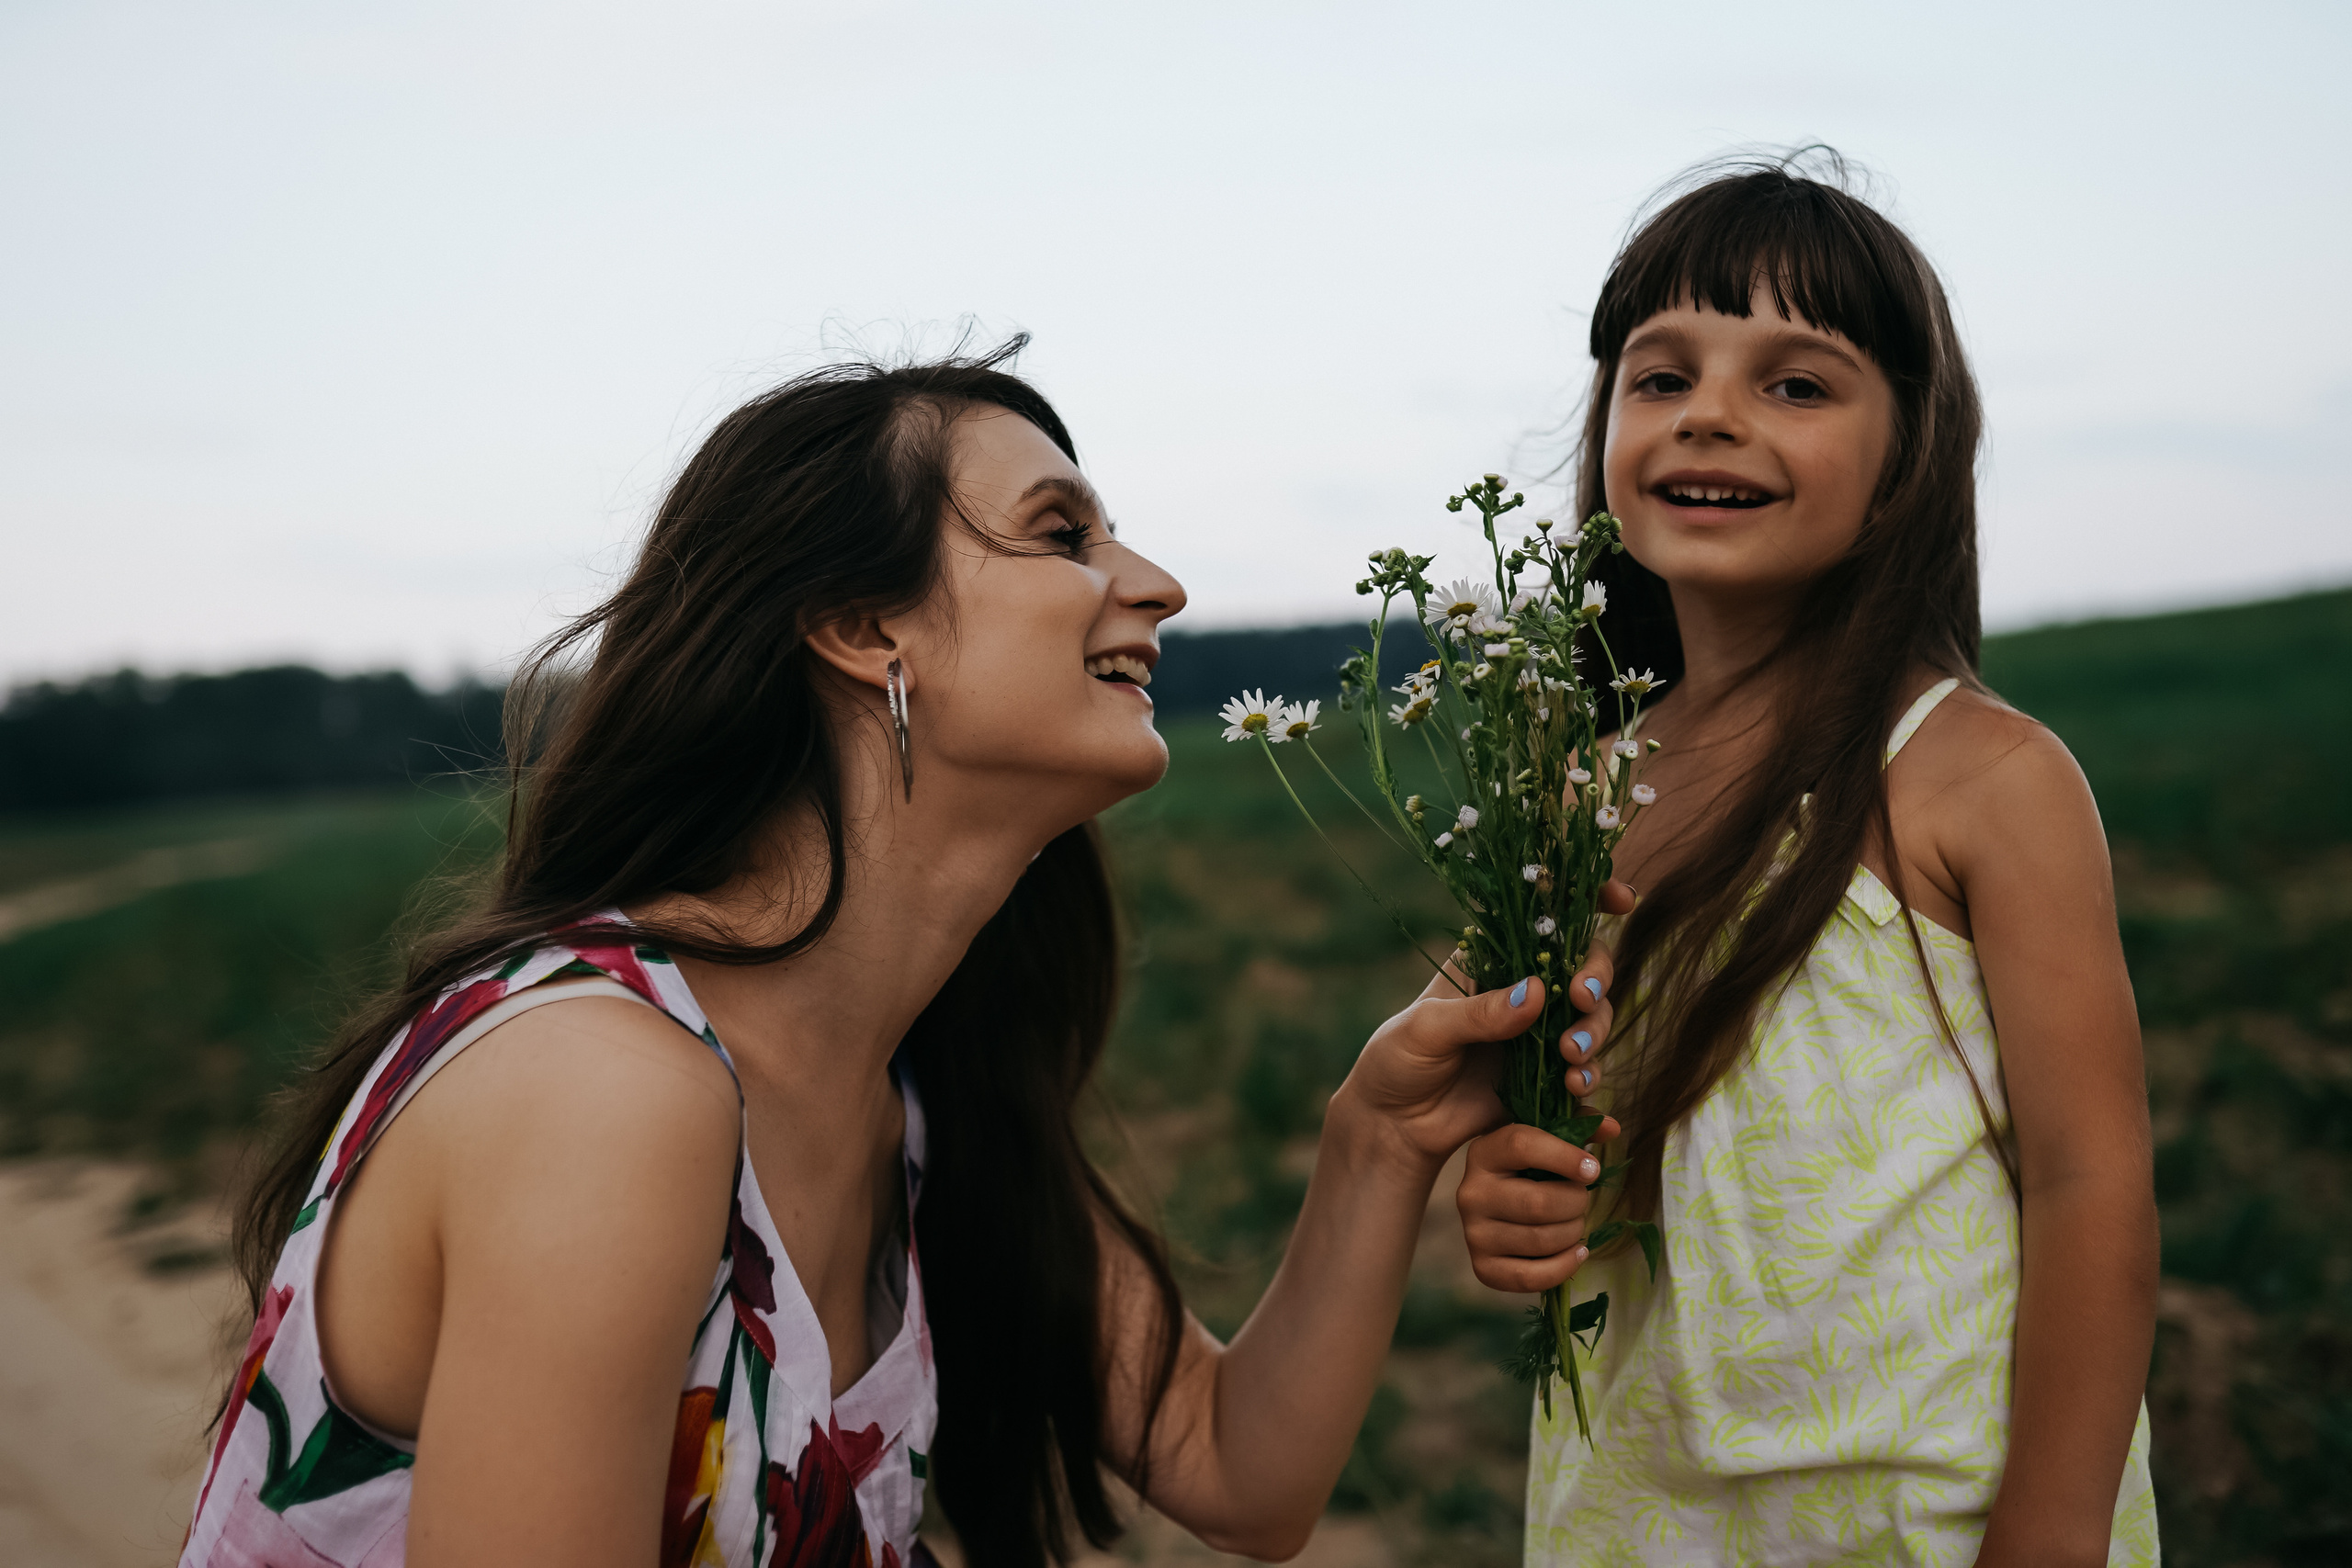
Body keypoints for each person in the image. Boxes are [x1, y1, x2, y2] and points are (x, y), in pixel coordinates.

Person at [180, 344, 1629, 1568]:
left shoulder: (916, 1104)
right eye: (1064, 536)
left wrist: (1378, 1138)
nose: (1162, 586)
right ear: (864, 627)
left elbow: (1234, 1465)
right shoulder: (599, 1089)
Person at [1454, 161, 2162, 1564]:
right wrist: (1512, 1195)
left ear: (1905, 461)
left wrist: (2050, 1534)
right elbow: (1578, 1143)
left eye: (1796, 383)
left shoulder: (1979, 777)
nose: (1710, 411)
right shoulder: (1571, 792)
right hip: (1637, 1514)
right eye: (1663, 377)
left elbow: (2096, 1187)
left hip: (1927, 1510)